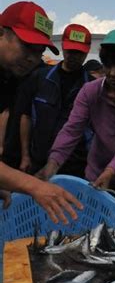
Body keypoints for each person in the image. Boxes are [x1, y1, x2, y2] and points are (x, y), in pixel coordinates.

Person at [37, 29, 115, 225]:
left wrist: (111, 171)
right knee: (95, 233)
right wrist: (52, 165)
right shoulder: (90, 92)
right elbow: (72, 130)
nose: (112, 73)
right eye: (108, 65)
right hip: (97, 175)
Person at [0, 1, 82, 223]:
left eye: (39, 51)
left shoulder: (11, 77)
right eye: (27, 46)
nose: (33, 59)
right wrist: (33, 185)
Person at [18, 23, 93, 176]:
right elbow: (25, 116)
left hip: (75, 166)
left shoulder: (92, 87)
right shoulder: (39, 77)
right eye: (70, 51)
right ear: (63, 47)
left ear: (87, 52)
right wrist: (25, 155)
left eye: (79, 52)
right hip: (37, 161)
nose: (74, 56)